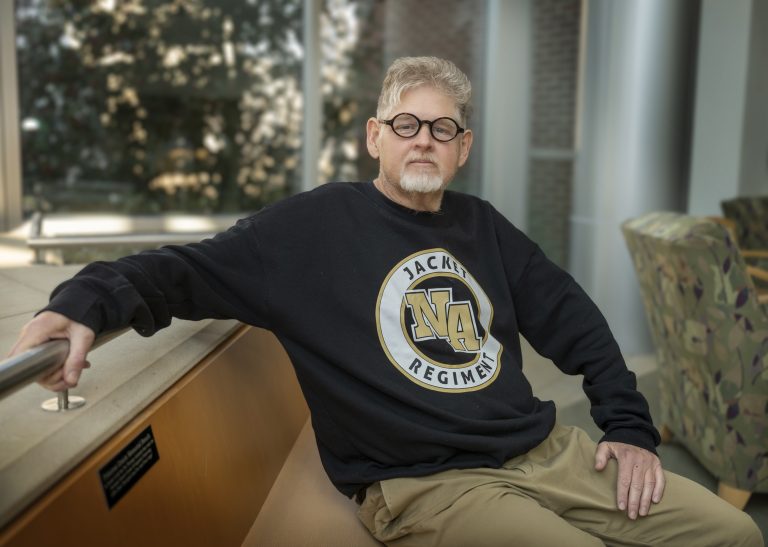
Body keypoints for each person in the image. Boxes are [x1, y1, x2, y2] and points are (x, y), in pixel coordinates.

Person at [8, 57, 762, 547]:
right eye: (407, 124)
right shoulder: (309, 229)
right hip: (426, 482)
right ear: (376, 136)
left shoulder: (484, 228)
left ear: (463, 146)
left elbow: (577, 322)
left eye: (443, 128)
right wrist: (84, 302)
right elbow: (177, 270)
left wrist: (629, 427)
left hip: (545, 451)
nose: (423, 140)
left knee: (733, 532)